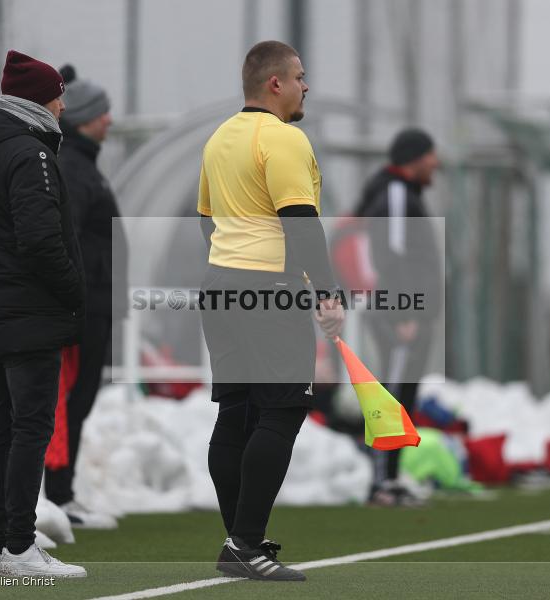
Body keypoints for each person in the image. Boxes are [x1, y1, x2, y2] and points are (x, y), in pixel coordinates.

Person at [198, 40, 344, 582]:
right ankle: (244, 541)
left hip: (219, 284)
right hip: (268, 289)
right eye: (301, 77)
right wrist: (327, 294)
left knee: (234, 411)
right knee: (281, 411)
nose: (307, 86)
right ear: (275, 84)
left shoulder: (218, 139)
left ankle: (241, 539)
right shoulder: (282, 139)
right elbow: (302, 222)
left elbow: (207, 221)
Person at [0, 50, 87, 578]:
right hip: (29, 308)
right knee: (30, 427)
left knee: (1, 428)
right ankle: (19, 547)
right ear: (37, 100)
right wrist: (74, 290)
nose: (61, 106)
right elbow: (40, 240)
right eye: (57, 95)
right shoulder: (28, 153)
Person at [42, 64, 126, 530]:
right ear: (84, 118)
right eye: (103, 112)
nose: (110, 119)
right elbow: (66, 238)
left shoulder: (84, 166)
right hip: (83, 308)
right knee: (68, 400)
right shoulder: (73, 168)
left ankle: (61, 490)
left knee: (79, 400)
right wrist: (74, 302)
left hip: (93, 304)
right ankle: (57, 493)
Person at [355, 128, 442, 506]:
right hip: (399, 312)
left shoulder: (405, 194)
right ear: (415, 157)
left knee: (403, 396)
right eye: (430, 155)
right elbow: (392, 253)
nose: (435, 163)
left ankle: (390, 478)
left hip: (411, 312)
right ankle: (380, 483)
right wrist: (405, 308)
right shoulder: (395, 192)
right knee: (391, 395)